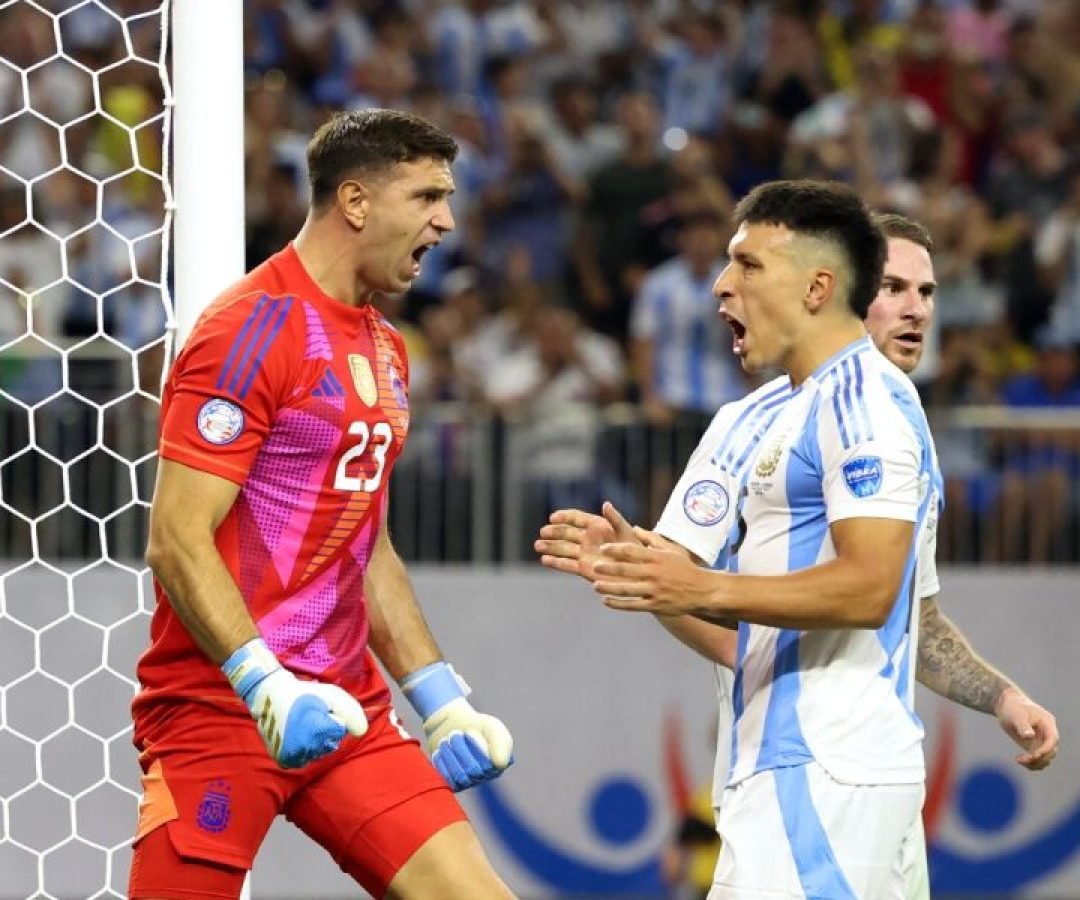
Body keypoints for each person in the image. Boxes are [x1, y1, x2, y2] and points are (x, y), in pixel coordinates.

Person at [536, 207, 1060, 897]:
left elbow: (901, 607)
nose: (916, 309)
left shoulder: (888, 412)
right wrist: (635, 564)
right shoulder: (750, 421)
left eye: (926, 292)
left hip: (838, 769)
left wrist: (998, 694)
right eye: (893, 287)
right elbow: (685, 581)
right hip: (800, 771)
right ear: (838, 287)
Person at [128, 109, 515, 900]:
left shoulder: (386, 346)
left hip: (349, 712)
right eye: (428, 196)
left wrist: (439, 700)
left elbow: (365, 544)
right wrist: (265, 686)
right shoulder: (248, 330)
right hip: (221, 705)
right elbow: (175, 539)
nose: (447, 221)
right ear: (356, 201)